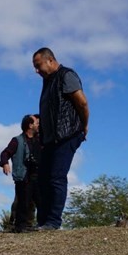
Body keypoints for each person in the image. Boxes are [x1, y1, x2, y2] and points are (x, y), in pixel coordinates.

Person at [33, 47, 89, 231]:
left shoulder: (66, 75)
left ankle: (53, 222)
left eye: (38, 65)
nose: (36, 70)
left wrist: (84, 125)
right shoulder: (47, 82)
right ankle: (43, 222)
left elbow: (82, 102)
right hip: (50, 140)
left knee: (57, 177)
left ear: (50, 60)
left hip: (67, 135)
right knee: (42, 180)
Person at [0, 114, 42, 233]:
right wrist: (5, 163)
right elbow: (5, 153)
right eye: (36, 123)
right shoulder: (17, 140)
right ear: (30, 125)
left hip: (37, 176)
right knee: (23, 202)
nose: (38, 125)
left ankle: (39, 225)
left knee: (41, 202)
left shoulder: (39, 140)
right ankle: (20, 227)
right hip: (23, 176)